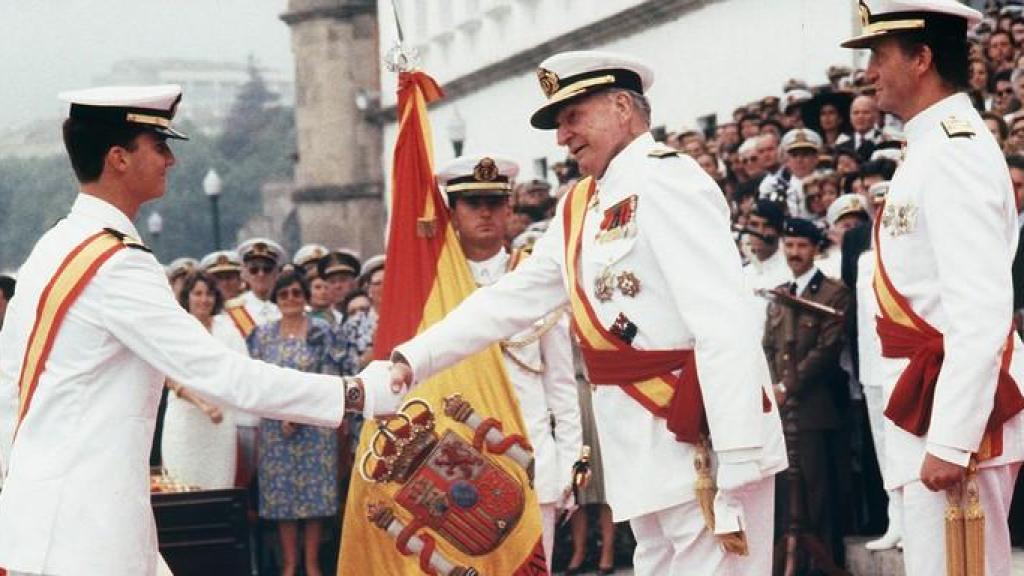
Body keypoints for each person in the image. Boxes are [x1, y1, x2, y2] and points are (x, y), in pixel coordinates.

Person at [384, 50, 787, 575]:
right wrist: (412, 358)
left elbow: (724, 321)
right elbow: (512, 298)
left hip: (701, 441)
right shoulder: (581, 204)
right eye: (558, 123)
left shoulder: (669, 180)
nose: (562, 136)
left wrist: (737, 456)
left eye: (572, 117)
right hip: (642, 450)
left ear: (621, 106)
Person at [0, 85, 398, 576]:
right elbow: (219, 374)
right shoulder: (117, 264)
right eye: (159, 146)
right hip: (89, 536)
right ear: (119, 158)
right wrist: (355, 393)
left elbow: (10, 387)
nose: (170, 160)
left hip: (49, 522)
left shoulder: (54, 246)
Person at [841, 2, 1024, 574]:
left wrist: (951, 438)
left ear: (921, 58)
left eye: (878, 55)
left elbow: (980, 310)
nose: (868, 72)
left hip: (956, 414)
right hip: (925, 402)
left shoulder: (955, 150)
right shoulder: (930, 147)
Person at [435, 153, 582, 570]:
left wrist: (570, 461)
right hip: (456, 463)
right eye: (472, 203)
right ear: (453, 211)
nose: (485, 213)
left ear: (509, 208)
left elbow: (561, 384)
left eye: (495, 203)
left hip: (530, 460)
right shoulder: (438, 289)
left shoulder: (533, 277)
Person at [762, 218, 851, 567]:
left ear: (816, 249)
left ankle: (822, 564)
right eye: (790, 245)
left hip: (815, 407)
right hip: (783, 409)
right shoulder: (782, 292)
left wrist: (787, 386)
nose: (794, 252)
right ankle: (791, 562)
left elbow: (826, 351)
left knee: (816, 494)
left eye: (802, 246)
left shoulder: (833, 293)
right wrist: (773, 386)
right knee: (787, 493)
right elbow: (769, 345)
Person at [249, 270, 344, 576]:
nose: (290, 299)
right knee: (283, 497)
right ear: (275, 299)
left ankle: (313, 563)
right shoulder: (261, 335)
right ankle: (290, 565)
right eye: (283, 294)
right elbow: (257, 381)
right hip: (276, 429)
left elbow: (330, 377)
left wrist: (301, 413)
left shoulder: (322, 331)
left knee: (315, 497)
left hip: (314, 425)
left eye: (296, 293)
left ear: (304, 297)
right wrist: (282, 414)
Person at [161, 271, 242, 489]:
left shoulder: (228, 330)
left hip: (220, 423)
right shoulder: (174, 329)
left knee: (219, 488)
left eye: (209, 294)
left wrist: (217, 404)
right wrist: (204, 406)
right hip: (185, 422)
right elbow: (170, 378)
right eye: (197, 293)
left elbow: (239, 371)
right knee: (182, 489)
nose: (203, 299)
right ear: (187, 297)